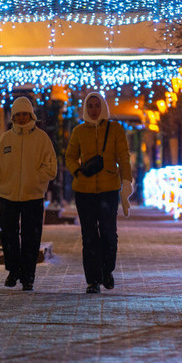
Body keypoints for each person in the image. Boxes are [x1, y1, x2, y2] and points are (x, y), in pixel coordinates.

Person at [0, 96, 57, 291]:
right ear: (13, 117)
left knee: (31, 238)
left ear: (31, 115)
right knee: (8, 235)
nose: (22, 118)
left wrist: (34, 179)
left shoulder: (42, 139)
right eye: (18, 114)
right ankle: (13, 270)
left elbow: (51, 167)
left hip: (33, 196)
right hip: (8, 195)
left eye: (25, 114)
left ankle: (28, 276)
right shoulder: (7, 138)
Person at [66, 91, 133, 294]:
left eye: (96, 105)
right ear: (85, 109)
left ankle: (106, 271)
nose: (93, 110)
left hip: (108, 190)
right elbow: (69, 156)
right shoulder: (79, 131)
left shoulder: (115, 129)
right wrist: (77, 171)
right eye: (90, 106)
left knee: (108, 234)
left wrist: (126, 181)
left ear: (102, 107)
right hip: (84, 191)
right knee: (89, 236)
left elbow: (123, 157)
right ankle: (92, 280)